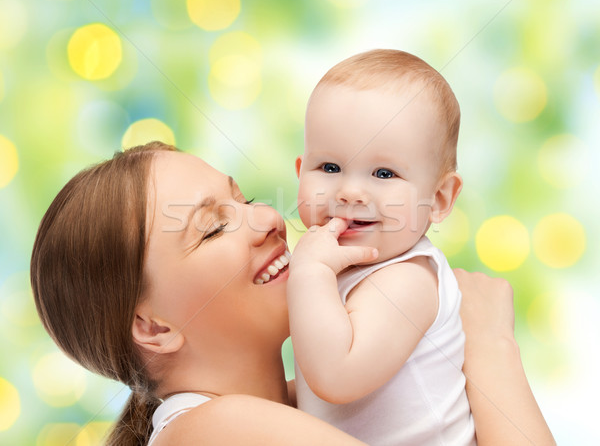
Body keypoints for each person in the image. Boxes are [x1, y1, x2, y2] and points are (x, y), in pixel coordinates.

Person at [30, 142, 555, 445]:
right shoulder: (214, 431)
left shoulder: (314, 404)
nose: (265, 218)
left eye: (245, 199)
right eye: (213, 228)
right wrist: (489, 346)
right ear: (154, 328)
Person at [288, 49, 481, 444]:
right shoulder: (337, 266)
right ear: (299, 172)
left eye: (383, 173)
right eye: (329, 168)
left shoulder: (407, 281)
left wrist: (309, 273)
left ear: (440, 199)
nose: (350, 191)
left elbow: (336, 377)